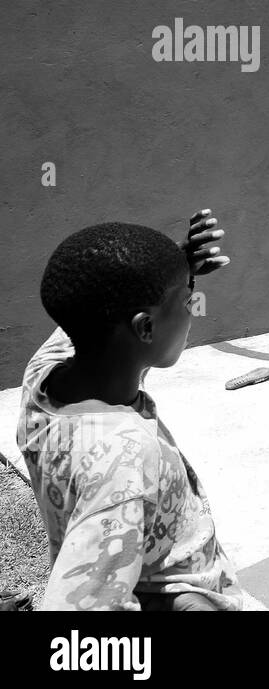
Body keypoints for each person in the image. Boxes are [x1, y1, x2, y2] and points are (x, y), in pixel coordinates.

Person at [17, 211, 243, 610]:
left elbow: (100, 298)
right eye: (188, 301)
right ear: (145, 328)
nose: (193, 309)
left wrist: (176, 268)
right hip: (176, 595)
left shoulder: (43, 371)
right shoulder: (123, 458)